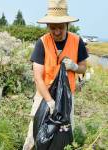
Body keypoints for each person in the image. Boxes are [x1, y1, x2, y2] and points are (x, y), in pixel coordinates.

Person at [23, 0, 89, 149]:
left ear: (67, 25)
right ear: (47, 26)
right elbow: (38, 77)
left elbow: (84, 68)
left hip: (66, 98)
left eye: (60, 27)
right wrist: (50, 101)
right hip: (43, 95)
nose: (57, 32)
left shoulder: (77, 41)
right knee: (34, 134)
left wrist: (75, 66)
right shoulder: (42, 43)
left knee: (63, 134)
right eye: (52, 28)